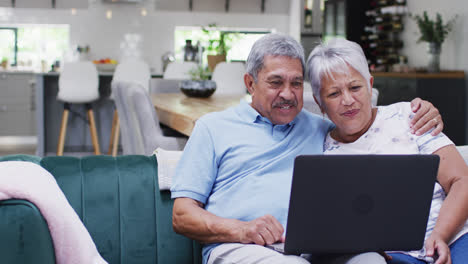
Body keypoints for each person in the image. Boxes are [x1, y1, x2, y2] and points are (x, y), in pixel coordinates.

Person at [171, 33, 443, 264]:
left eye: (296, 83)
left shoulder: (321, 127)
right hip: (242, 247)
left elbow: (365, 119)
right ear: (250, 83)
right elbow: (182, 215)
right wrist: (242, 229)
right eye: (276, 82)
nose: (288, 94)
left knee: (371, 260)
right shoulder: (213, 127)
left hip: (318, 250)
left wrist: (418, 111)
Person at [307, 38, 468, 264]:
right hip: (389, 256)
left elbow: (461, 180)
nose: (347, 100)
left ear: (370, 85)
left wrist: (440, 235)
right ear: (319, 102)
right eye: (333, 94)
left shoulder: (409, 117)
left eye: (355, 87)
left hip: (453, 237)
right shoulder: (320, 150)